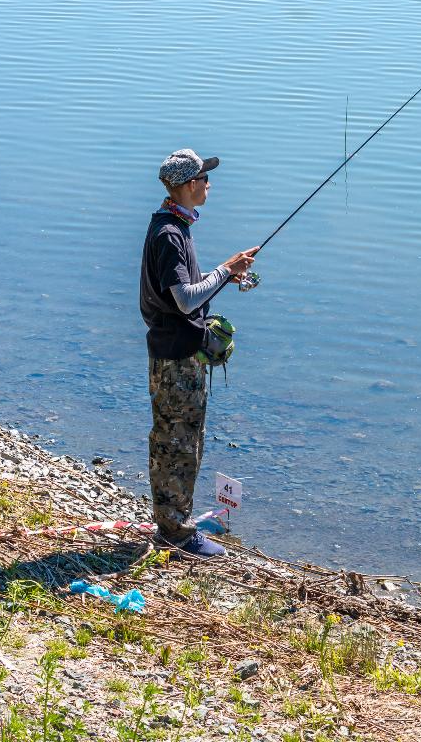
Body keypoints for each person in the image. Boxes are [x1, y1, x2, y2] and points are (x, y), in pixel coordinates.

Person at [139, 149, 258, 557]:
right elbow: (186, 301)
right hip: (176, 359)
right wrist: (226, 271)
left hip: (170, 351)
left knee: (172, 440)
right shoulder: (171, 235)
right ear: (190, 185)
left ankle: (170, 520)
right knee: (180, 443)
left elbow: (184, 295)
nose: (209, 185)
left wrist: (226, 272)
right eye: (205, 179)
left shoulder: (171, 225)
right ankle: (177, 532)